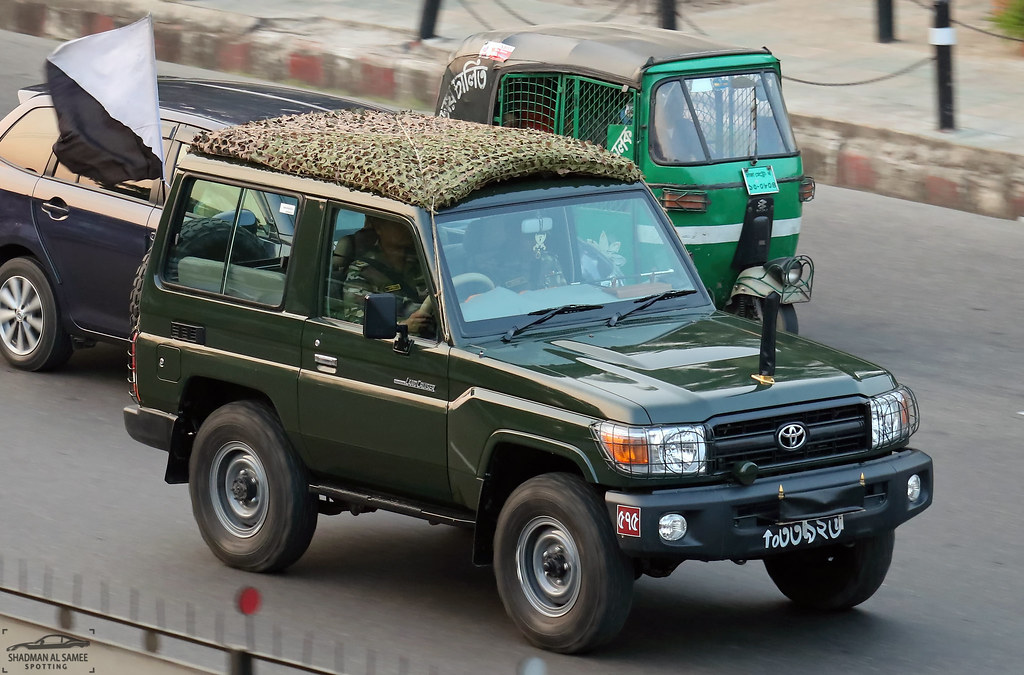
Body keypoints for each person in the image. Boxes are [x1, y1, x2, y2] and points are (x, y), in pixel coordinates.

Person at [339, 215, 434, 337]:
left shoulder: (425, 261)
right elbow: (358, 323)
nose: (406, 229)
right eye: (399, 223)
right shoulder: (363, 271)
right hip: (397, 344)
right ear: (379, 228)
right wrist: (404, 326)